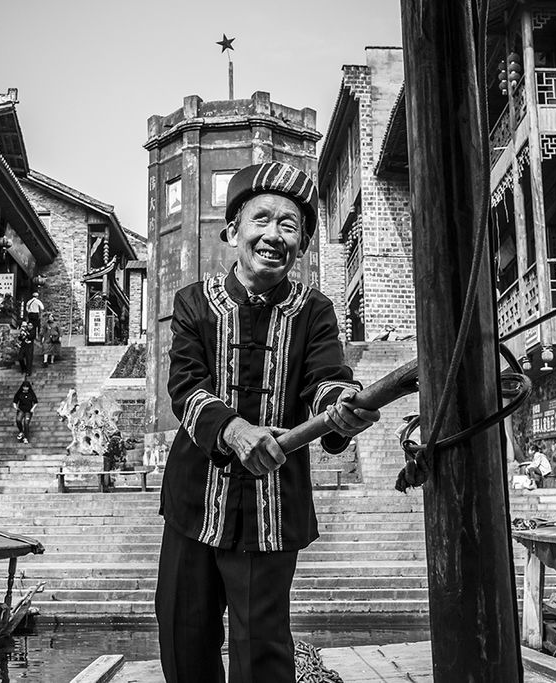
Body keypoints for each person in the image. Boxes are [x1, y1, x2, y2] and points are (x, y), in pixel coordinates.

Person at [155, 162, 380, 683]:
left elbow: (327, 381)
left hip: (270, 511)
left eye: (290, 225)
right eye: (261, 220)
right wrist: (235, 431)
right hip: (194, 505)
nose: (273, 235)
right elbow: (186, 389)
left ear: (300, 245)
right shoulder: (193, 303)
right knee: (185, 639)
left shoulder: (314, 311)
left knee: (263, 652)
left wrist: (343, 409)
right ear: (232, 231)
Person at [13, 379, 38, 445]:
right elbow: (15, 401)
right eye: (24, 387)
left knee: (26, 423)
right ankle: (21, 431)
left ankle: (26, 438)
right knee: (18, 420)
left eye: (27, 387)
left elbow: (35, 402)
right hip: (21, 409)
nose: (25, 388)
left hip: (28, 411)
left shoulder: (31, 393)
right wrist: (15, 407)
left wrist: (33, 409)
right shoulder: (19, 393)